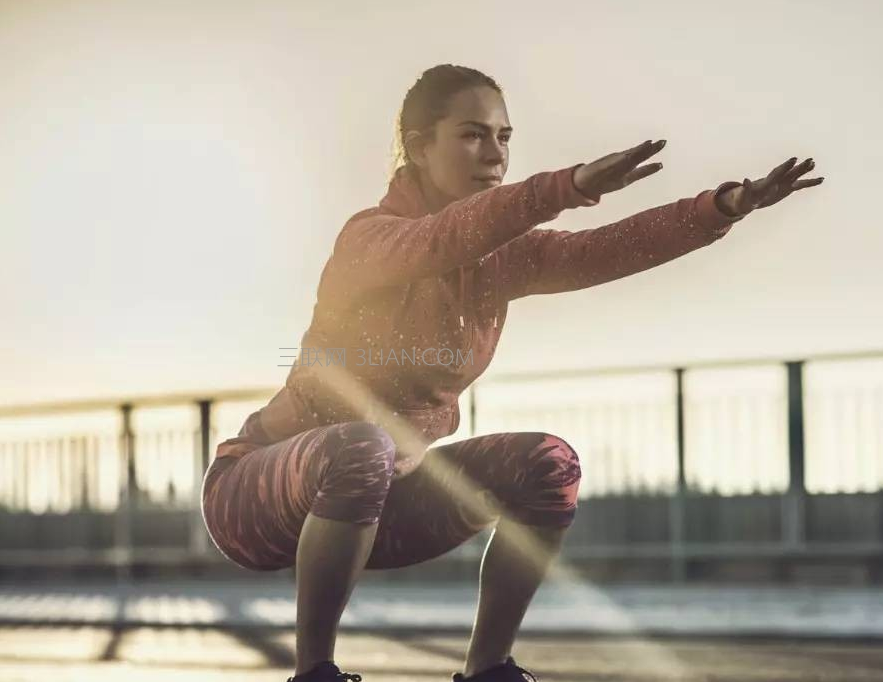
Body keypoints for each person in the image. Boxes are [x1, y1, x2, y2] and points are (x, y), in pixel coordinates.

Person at [201, 64, 824, 682]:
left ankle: (488, 670)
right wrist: (561, 187)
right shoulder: (369, 240)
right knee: (364, 447)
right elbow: (442, 240)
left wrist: (724, 206)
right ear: (419, 149)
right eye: (472, 135)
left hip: (382, 504)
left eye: (504, 137)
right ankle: (314, 673)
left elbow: (600, 249)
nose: (494, 153)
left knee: (550, 463)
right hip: (256, 499)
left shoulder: (500, 260)